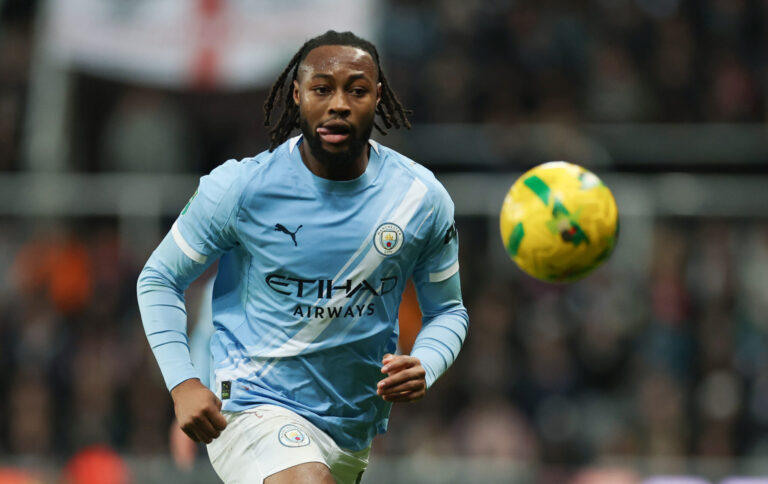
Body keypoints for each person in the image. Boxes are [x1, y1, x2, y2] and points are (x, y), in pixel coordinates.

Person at [137, 30, 469, 484]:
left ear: (378, 97)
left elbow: (448, 310)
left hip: (352, 429)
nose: (338, 104)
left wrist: (427, 362)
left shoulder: (420, 199)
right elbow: (159, 278)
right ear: (297, 97)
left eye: (355, 90)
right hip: (251, 404)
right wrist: (184, 383)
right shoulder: (241, 188)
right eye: (322, 89)